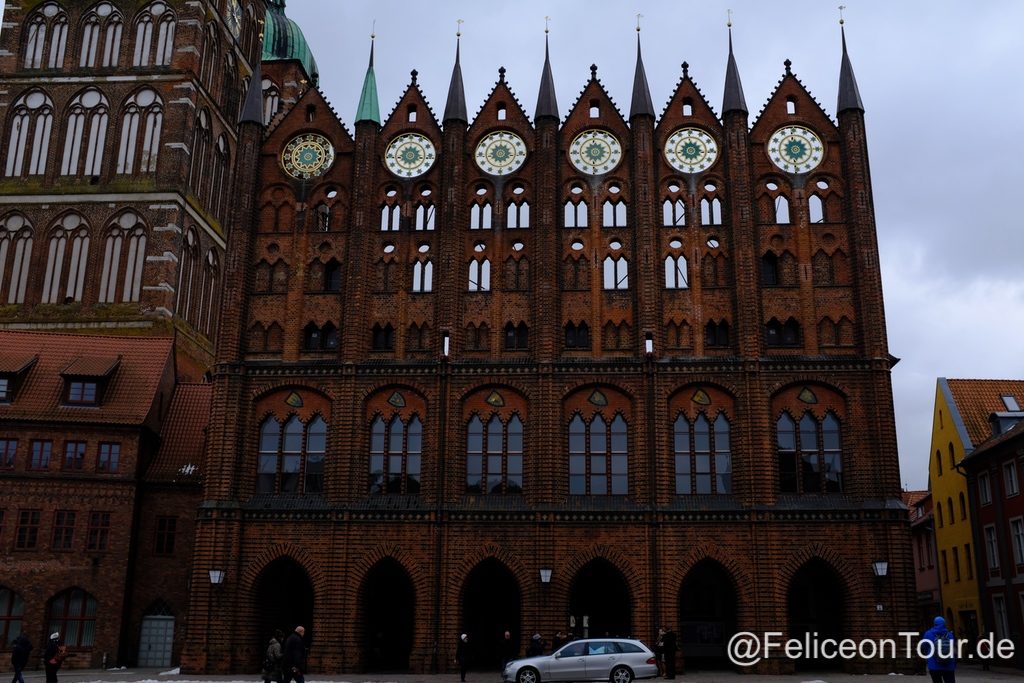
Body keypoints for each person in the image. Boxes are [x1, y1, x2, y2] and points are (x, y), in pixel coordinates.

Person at [921, 616, 955, 683]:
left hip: (934, 665)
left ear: (934, 624)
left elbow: (924, 646)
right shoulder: (950, 634)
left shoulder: (928, 634)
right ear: (944, 624)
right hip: (948, 664)